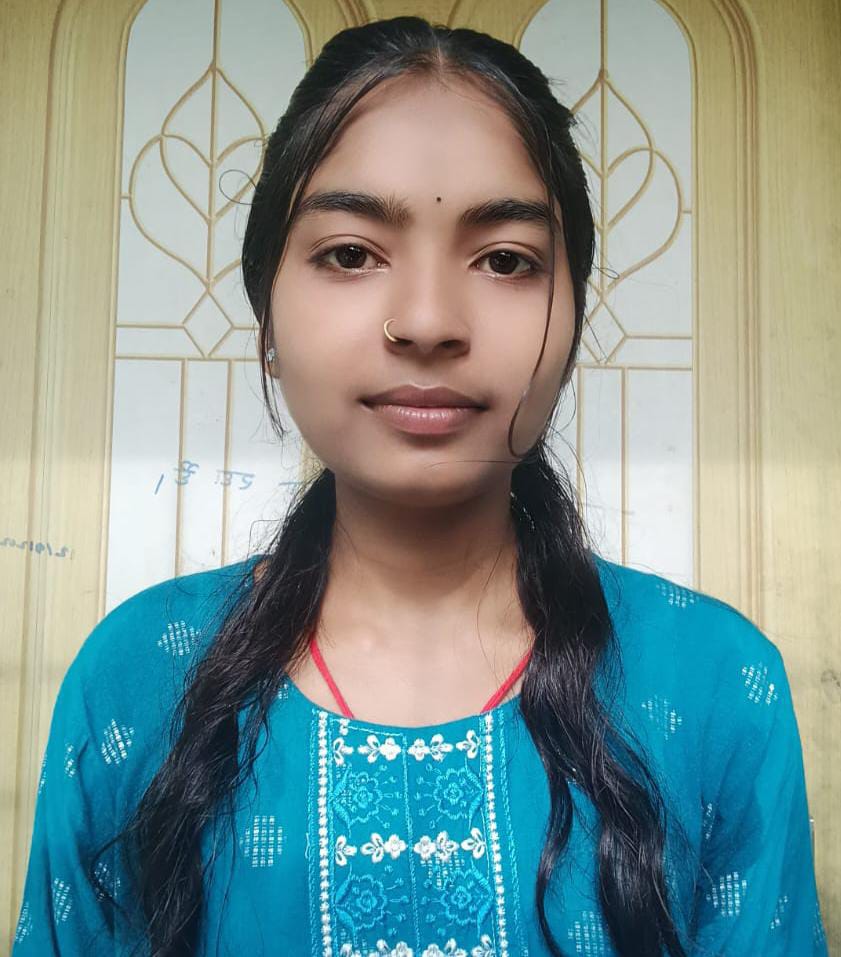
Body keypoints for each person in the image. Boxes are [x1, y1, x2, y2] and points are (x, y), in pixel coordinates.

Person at [12, 15, 827, 957]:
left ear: (571, 320)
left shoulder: (718, 680)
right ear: (266, 311)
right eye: (350, 253)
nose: (429, 320)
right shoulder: (137, 676)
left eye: (505, 260)